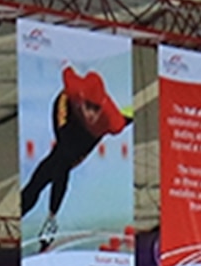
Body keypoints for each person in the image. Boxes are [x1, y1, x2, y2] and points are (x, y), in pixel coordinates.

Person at [19, 59, 131, 251]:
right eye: (88, 106)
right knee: (59, 158)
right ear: (82, 98)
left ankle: (47, 216)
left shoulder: (113, 121)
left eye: (95, 108)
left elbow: (127, 118)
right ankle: (46, 217)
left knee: (60, 162)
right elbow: (66, 68)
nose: (90, 113)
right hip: (68, 116)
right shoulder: (74, 88)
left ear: (102, 106)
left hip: (87, 138)